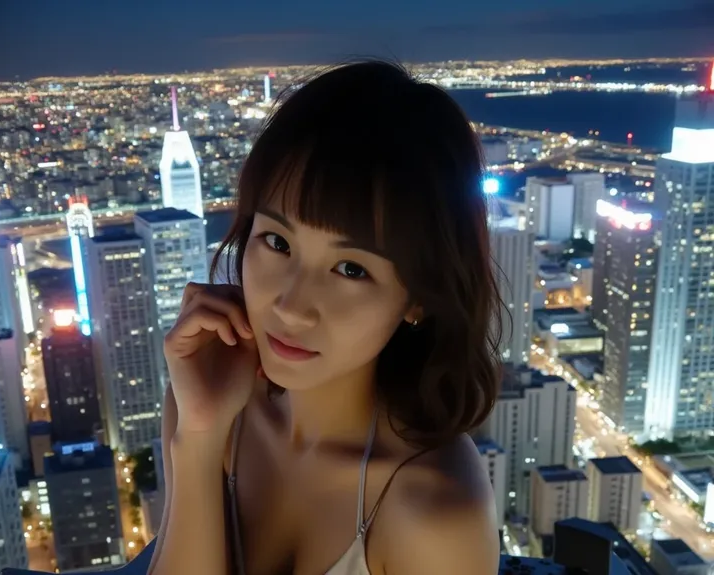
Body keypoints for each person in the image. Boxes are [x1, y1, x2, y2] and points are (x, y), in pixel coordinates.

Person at [148, 60, 504, 575]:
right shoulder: (210, 396)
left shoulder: (431, 509)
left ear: (418, 298)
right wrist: (201, 438)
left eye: (350, 268)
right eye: (276, 241)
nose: (291, 306)